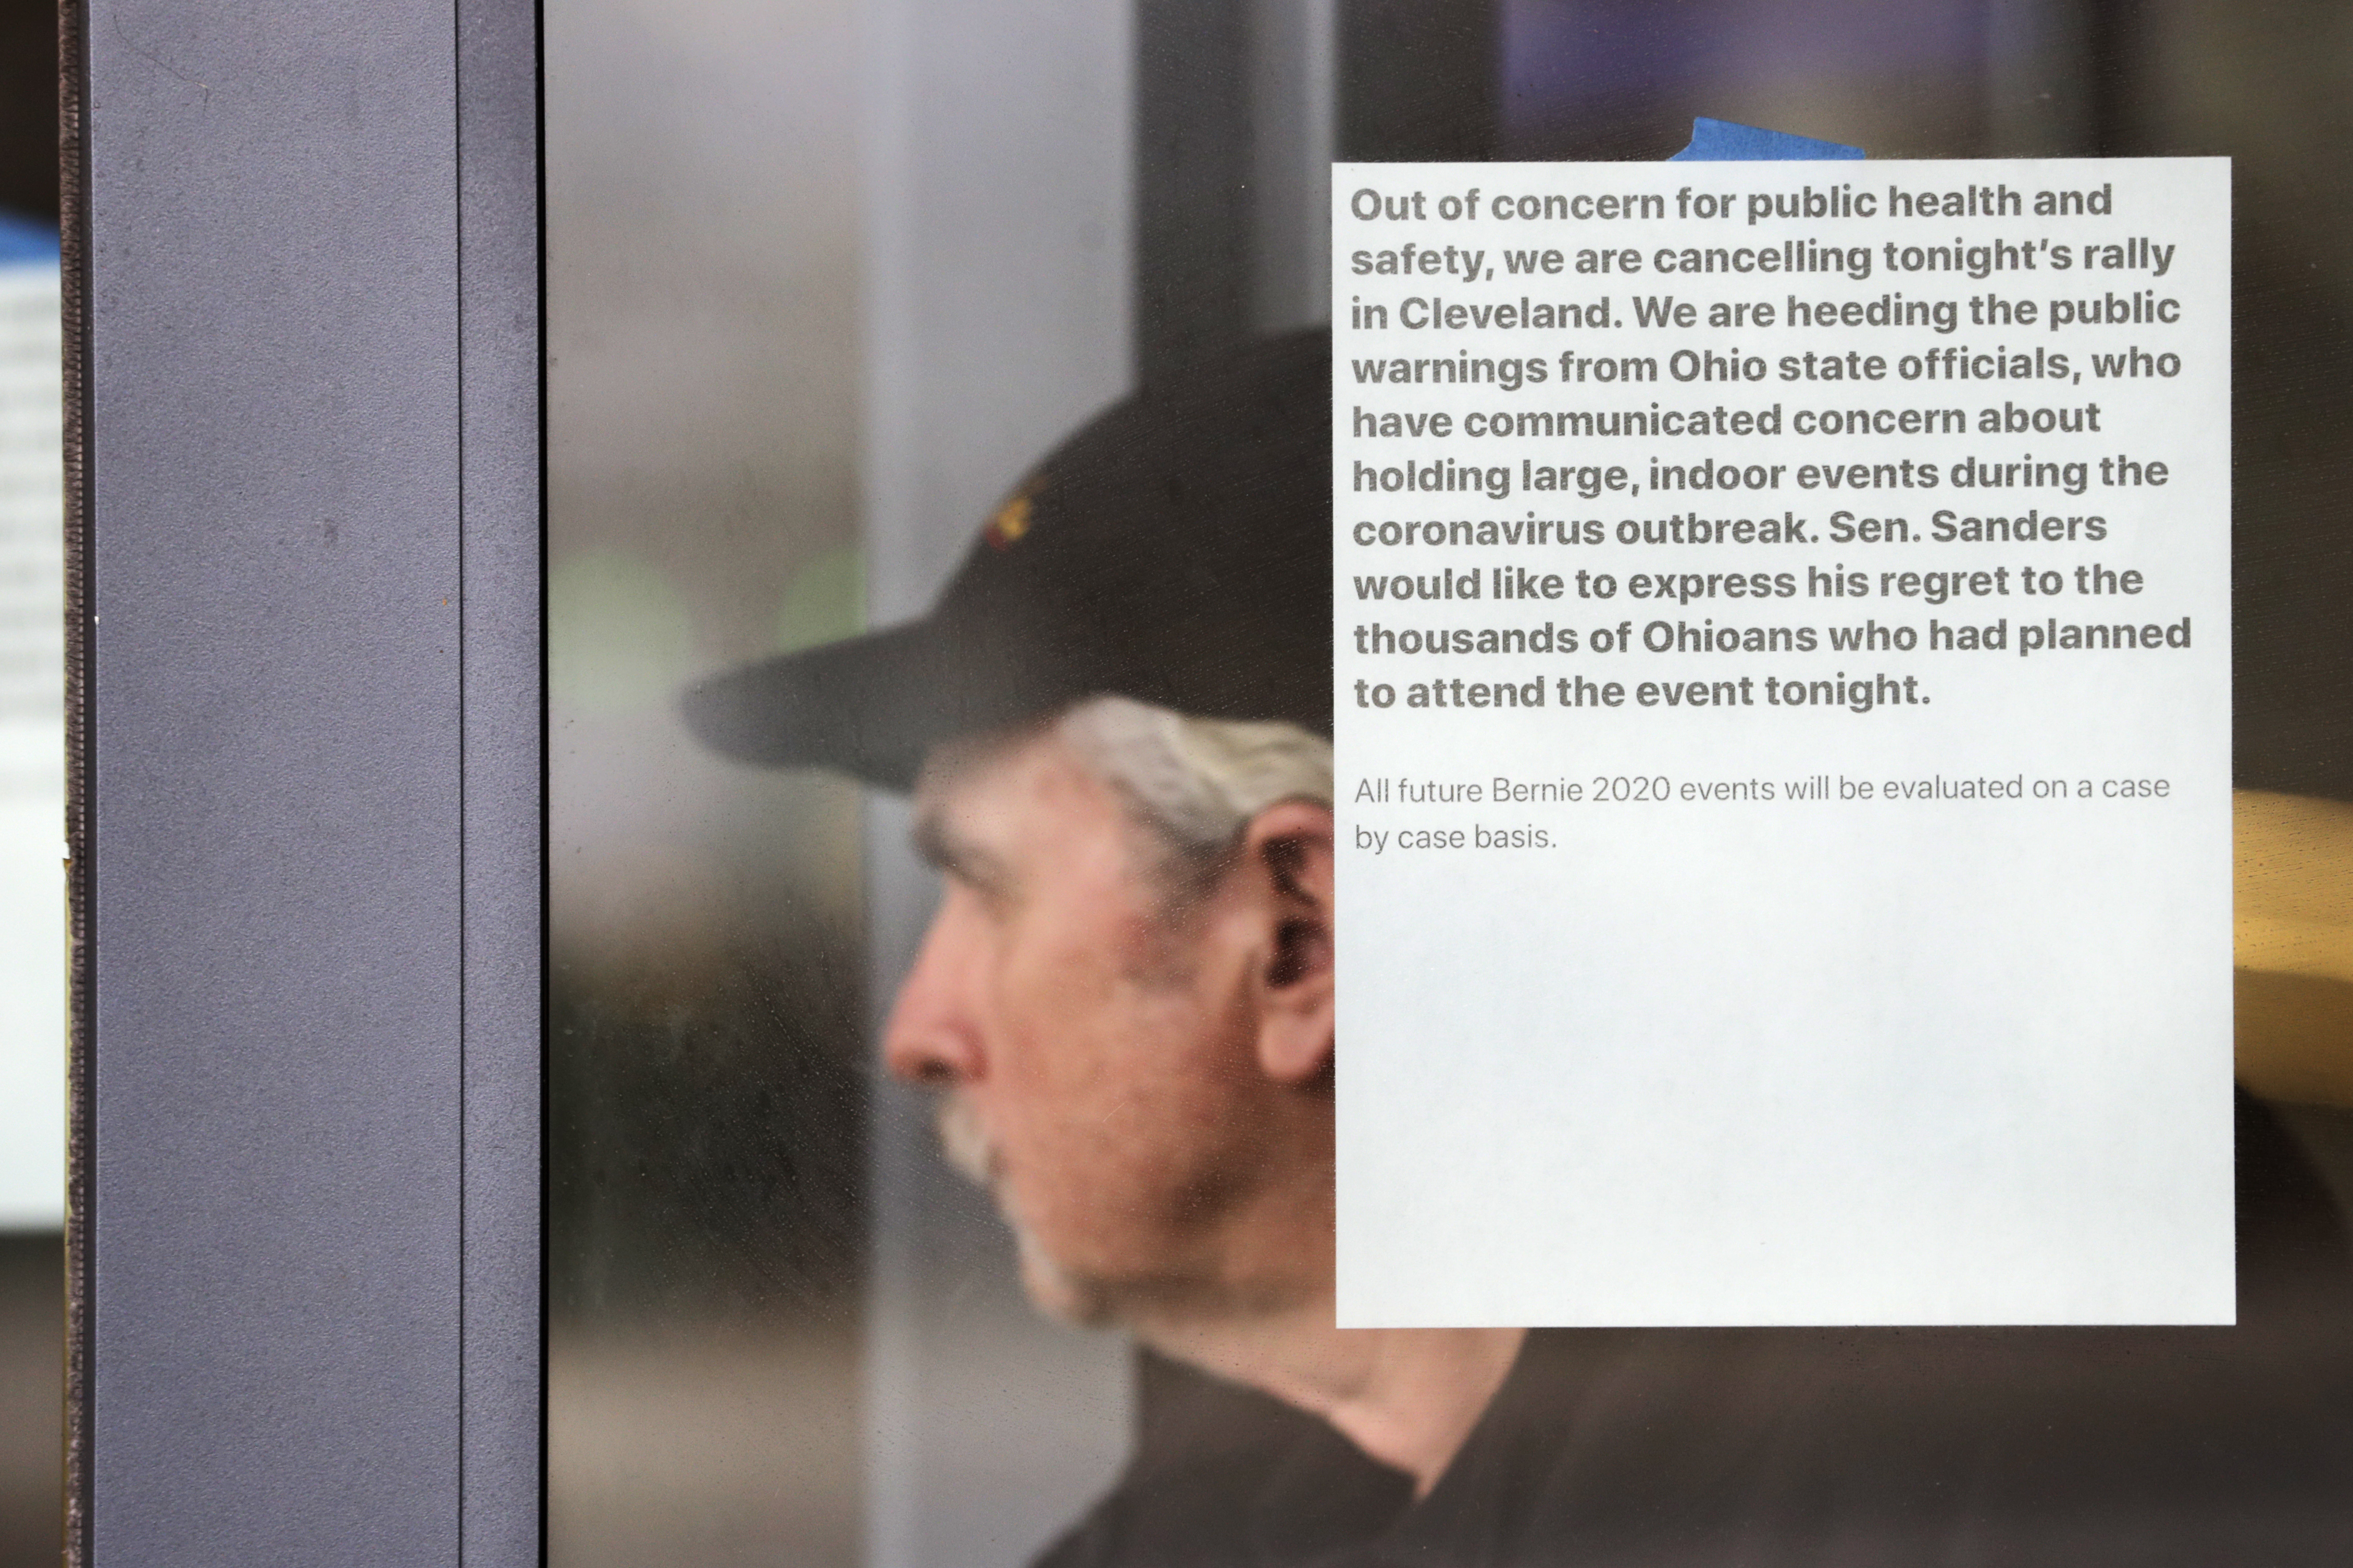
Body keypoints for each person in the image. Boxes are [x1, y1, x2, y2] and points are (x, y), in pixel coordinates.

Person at [684, 330, 2353, 1564]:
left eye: (983, 888)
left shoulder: (1993, 1418)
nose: (920, 1027)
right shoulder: (1274, 1490)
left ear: (1302, 934)